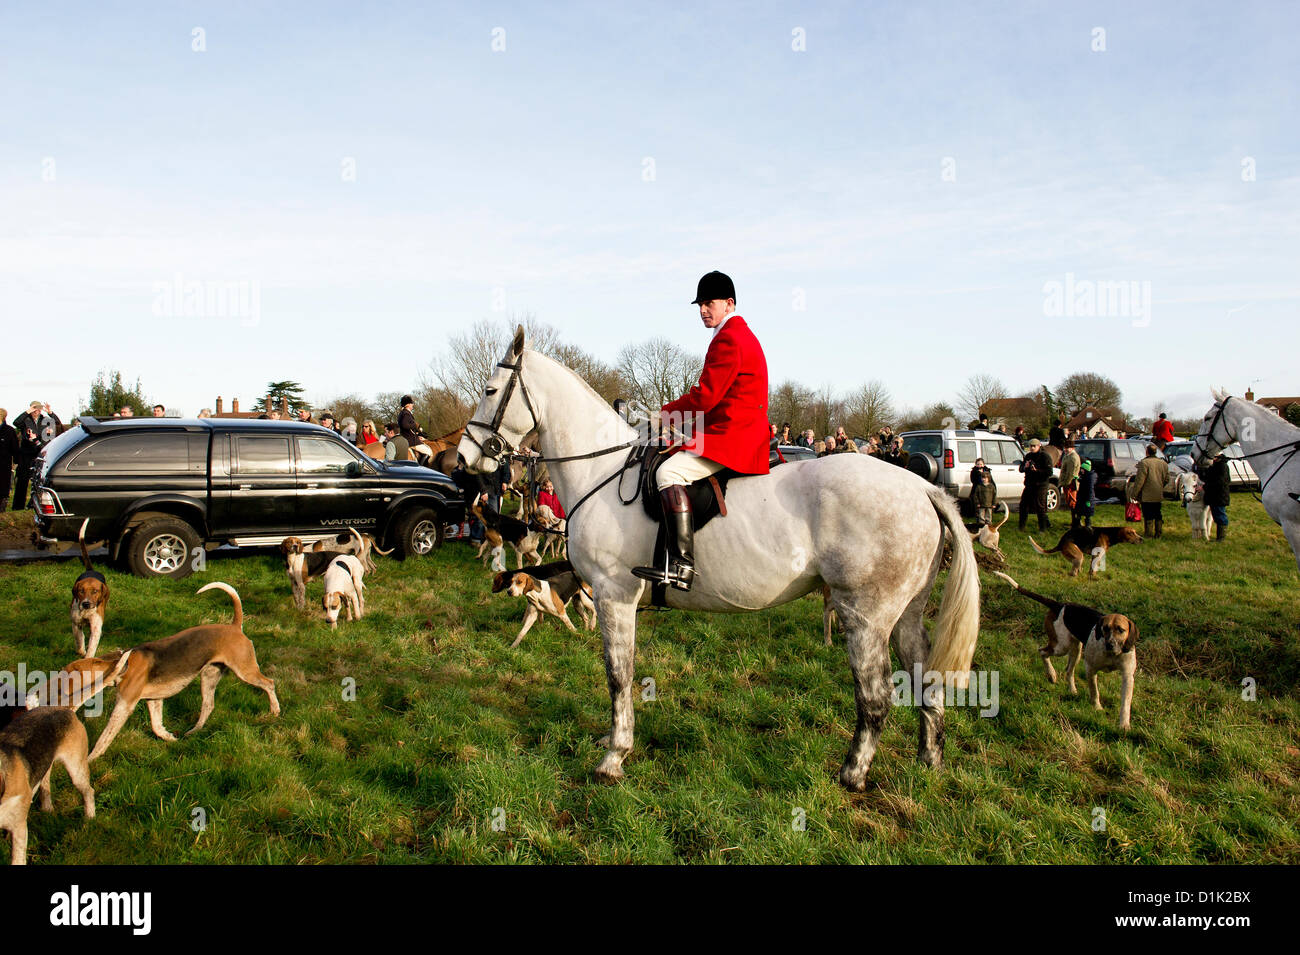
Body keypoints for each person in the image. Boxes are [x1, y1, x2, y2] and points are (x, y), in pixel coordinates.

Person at [632, 271, 769, 592]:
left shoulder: (730, 338)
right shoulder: (738, 334)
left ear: (729, 303)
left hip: (734, 437)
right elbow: (719, 398)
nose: (703, 310)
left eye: (709, 303)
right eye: (700, 305)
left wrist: (663, 416)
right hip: (733, 428)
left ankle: (682, 564)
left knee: (667, 474)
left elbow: (706, 396)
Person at [1130, 443, 1170, 538]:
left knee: (1148, 514)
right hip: (1158, 493)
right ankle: (1158, 533)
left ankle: (1148, 534)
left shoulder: (1144, 463)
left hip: (1146, 494)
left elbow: (1140, 480)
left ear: (1147, 452)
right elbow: (1167, 479)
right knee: (1157, 513)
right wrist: (1160, 486)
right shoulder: (1163, 463)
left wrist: (1134, 494)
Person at [1018, 437, 1053, 532]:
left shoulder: (1045, 456)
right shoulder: (1028, 456)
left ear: (1039, 446)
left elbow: (1049, 472)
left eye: (1034, 446)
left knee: (1040, 506)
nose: (1032, 448)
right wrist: (1024, 467)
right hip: (1029, 484)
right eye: (1030, 446)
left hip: (1041, 484)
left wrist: (1037, 470)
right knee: (1023, 505)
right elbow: (1020, 469)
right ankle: (1021, 527)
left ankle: (1042, 528)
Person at [1199, 451, 1231, 541]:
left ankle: (1221, 537)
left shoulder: (1222, 466)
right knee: (1217, 515)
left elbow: (1220, 481)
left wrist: (1205, 486)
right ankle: (1220, 537)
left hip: (1219, 495)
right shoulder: (1215, 465)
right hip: (1215, 495)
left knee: (1220, 515)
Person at [397, 396, 434, 462]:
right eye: (412, 403)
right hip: (410, 440)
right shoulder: (406, 413)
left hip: (408, 438)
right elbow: (405, 425)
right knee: (428, 451)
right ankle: (421, 468)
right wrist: (415, 425)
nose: (413, 405)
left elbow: (409, 429)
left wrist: (418, 434)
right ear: (408, 404)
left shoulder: (402, 413)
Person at [0, 408, 17, 512]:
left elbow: (14, 448)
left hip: (3, 464)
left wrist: (15, 463)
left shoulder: (9, 431)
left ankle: (2, 507)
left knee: (3, 487)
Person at [1058, 440, 1081, 513]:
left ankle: (1076, 520)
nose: (1065, 449)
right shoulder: (1067, 456)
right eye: (1065, 447)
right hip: (1066, 482)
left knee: (1072, 502)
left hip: (1071, 483)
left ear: (1072, 448)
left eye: (1067, 448)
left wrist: (1066, 483)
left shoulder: (1073, 458)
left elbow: (1071, 473)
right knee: (1069, 502)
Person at [1073, 459, 1096, 528]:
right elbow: (1084, 481)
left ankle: (1088, 526)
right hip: (1082, 497)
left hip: (1087, 498)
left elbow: (1090, 489)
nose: (1081, 470)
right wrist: (1078, 479)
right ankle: (1077, 525)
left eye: (1082, 469)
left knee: (1087, 514)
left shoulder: (1090, 477)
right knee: (1079, 512)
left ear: (1086, 469)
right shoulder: (1086, 475)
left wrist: (1088, 500)